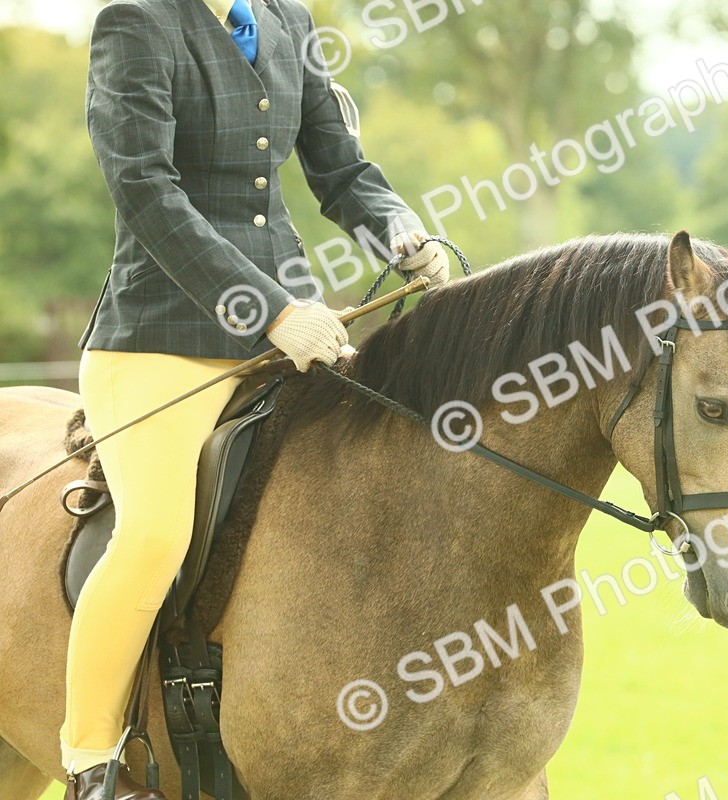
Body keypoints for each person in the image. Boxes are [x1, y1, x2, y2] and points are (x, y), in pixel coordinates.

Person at [61, 0, 449, 797]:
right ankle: (90, 758)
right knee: (155, 538)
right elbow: (146, 192)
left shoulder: (285, 19)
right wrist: (269, 310)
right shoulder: (136, 23)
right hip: (160, 339)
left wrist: (399, 232)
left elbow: (341, 170)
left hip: (294, 323)